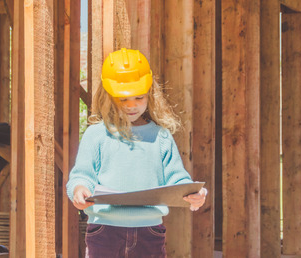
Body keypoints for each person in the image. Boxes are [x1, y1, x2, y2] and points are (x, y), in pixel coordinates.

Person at [66, 48, 207, 258]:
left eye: (139, 97)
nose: (132, 106)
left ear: (150, 93)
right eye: (123, 99)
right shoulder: (96, 135)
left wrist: (194, 194)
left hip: (149, 231)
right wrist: (79, 189)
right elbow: (81, 176)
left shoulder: (161, 137)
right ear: (108, 96)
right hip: (104, 231)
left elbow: (177, 178)